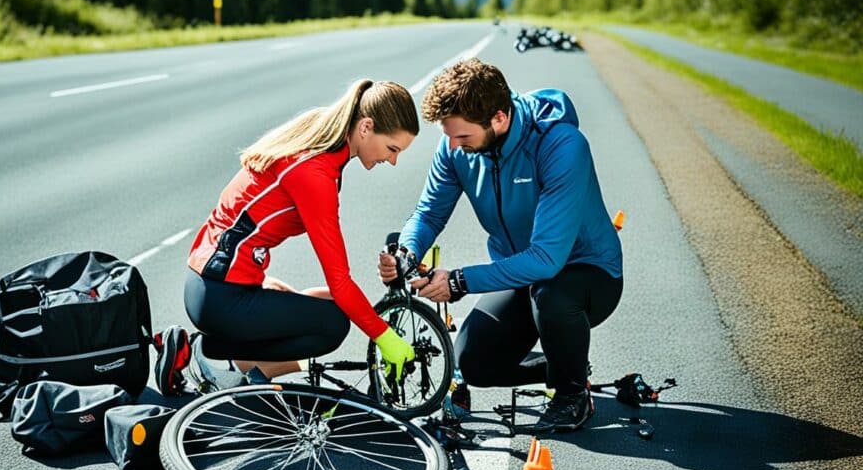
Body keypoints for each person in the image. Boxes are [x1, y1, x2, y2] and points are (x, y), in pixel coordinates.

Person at [379, 59, 623, 432]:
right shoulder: (455, 147)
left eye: (462, 137)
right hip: (524, 275)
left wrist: (459, 282)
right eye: (448, 136)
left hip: (586, 274)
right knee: (474, 362)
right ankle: (565, 364)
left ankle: (572, 396)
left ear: (499, 119)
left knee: (552, 295)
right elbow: (428, 214)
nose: (453, 146)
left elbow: (545, 258)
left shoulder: (561, 146)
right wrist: (407, 253)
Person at [156, 79, 420, 395]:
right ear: (365, 127)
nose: (392, 161)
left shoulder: (321, 139)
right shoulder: (314, 172)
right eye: (392, 149)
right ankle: (213, 361)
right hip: (220, 296)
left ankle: (211, 351)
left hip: (213, 282)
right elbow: (340, 278)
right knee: (333, 325)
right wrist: (385, 337)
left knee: (329, 301)